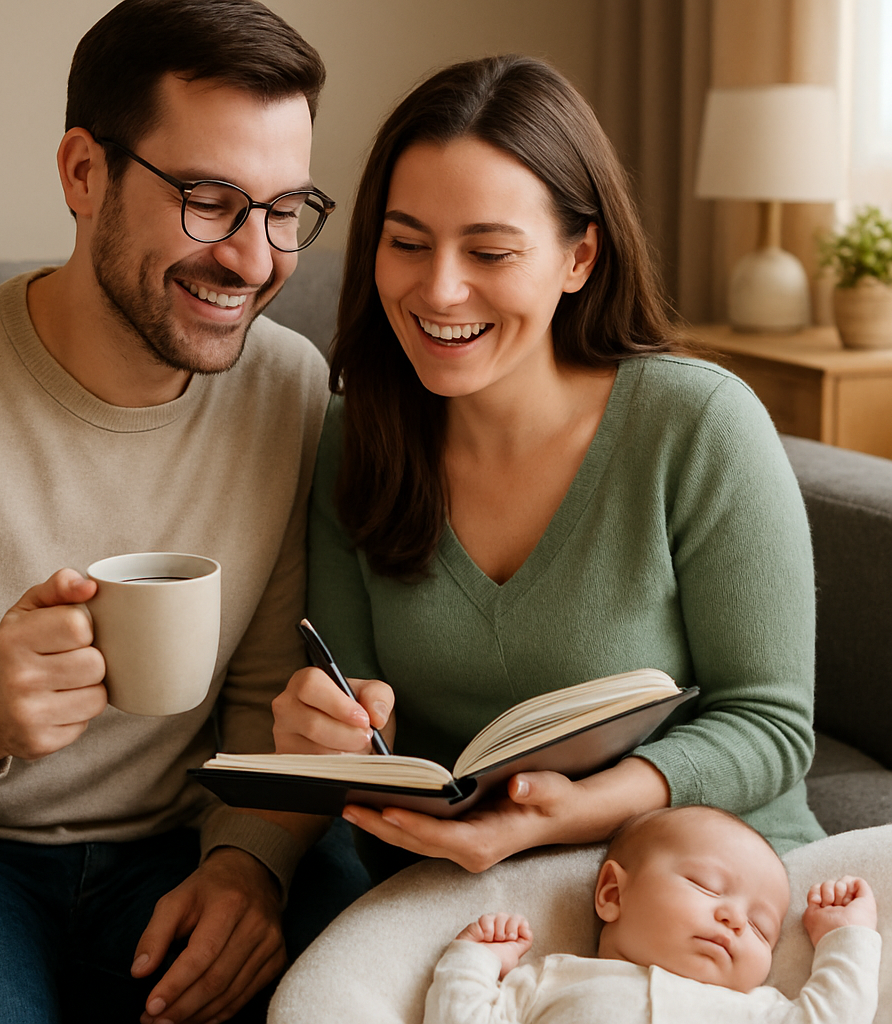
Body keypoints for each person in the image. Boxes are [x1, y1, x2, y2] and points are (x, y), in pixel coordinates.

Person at [0, 2, 348, 1022]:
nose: (254, 260)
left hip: (176, 848)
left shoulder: (288, 389)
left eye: (282, 209)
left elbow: (269, 689)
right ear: (84, 173)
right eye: (211, 200)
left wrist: (252, 860)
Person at [271, 53, 825, 882]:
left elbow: (772, 724)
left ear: (579, 258)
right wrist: (326, 734)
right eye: (407, 243)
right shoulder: (355, 437)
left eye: (489, 253)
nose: (440, 290)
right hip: (464, 895)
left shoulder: (698, 424)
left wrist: (576, 810)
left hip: (707, 888)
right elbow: (357, 711)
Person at [423, 806, 881, 1023]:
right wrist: (473, 961)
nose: (737, 921)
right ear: (612, 894)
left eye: (762, 930)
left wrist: (846, 938)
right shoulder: (552, 981)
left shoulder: (755, 1012)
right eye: (706, 886)